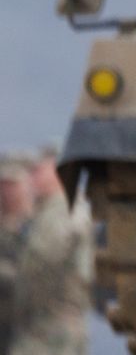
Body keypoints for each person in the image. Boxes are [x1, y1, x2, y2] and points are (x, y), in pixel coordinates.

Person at [11, 148, 92, 355]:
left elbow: (43, 262)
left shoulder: (64, 210)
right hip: (47, 326)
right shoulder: (49, 210)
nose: (32, 177)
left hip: (50, 329)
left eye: (39, 171)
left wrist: (21, 298)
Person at [0, 154, 32, 354]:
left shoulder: (34, 225)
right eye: (4, 185)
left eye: (13, 185)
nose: (7, 192)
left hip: (24, 325)